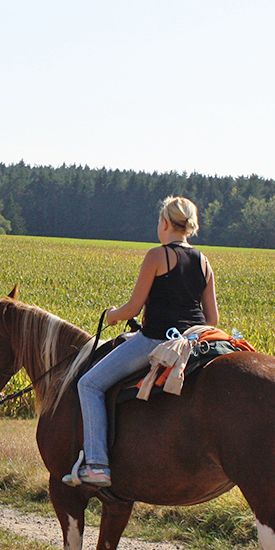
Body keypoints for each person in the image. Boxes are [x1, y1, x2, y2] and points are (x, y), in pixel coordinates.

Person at [70, 196, 219, 487]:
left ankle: (97, 464)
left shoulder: (157, 256)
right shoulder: (204, 262)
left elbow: (133, 309)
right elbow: (211, 318)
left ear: (164, 223)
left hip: (156, 341)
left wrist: (113, 315)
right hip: (194, 342)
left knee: (88, 384)